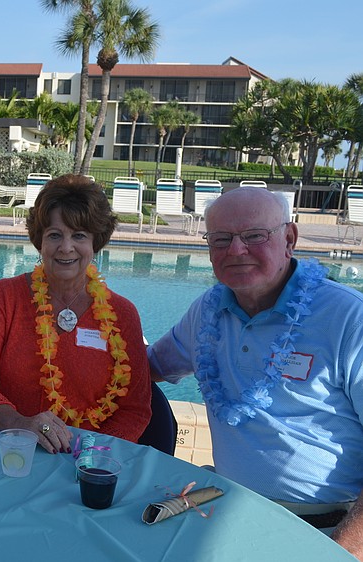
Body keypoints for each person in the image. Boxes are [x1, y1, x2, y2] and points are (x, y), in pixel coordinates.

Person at [147, 186, 363, 557]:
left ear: (289, 238)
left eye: (254, 236)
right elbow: (146, 366)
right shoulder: (207, 312)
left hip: (324, 527)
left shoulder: (349, 318)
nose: (236, 250)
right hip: (227, 509)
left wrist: (342, 550)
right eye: (221, 239)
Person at [0, 174, 151, 453]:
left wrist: (89, 454)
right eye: (54, 235)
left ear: (96, 243)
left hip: (86, 463)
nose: (66, 247)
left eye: (79, 235)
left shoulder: (123, 315)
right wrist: (18, 423)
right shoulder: (4, 297)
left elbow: (135, 409)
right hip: (11, 450)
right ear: (40, 241)